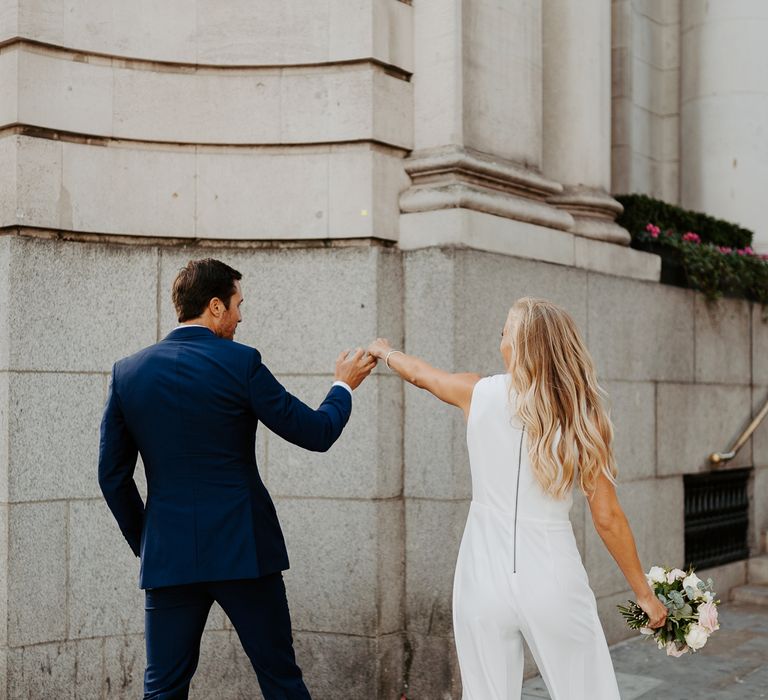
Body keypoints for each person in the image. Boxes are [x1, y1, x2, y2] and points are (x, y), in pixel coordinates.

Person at [98, 258, 376, 700]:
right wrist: (343, 386)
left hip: (169, 558)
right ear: (214, 307)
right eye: (237, 305)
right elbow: (315, 433)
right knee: (281, 680)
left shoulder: (128, 372)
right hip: (244, 550)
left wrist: (151, 540)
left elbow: (112, 478)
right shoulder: (240, 362)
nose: (241, 316)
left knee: (163, 690)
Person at [367, 297, 668, 700]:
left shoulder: (476, 392)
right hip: (552, 575)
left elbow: (421, 375)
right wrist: (644, 594)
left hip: (481, 575)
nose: (501, 338)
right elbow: (608, 517)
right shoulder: (582, 415)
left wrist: (385, 351)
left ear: (522, 345)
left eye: (505, 331)